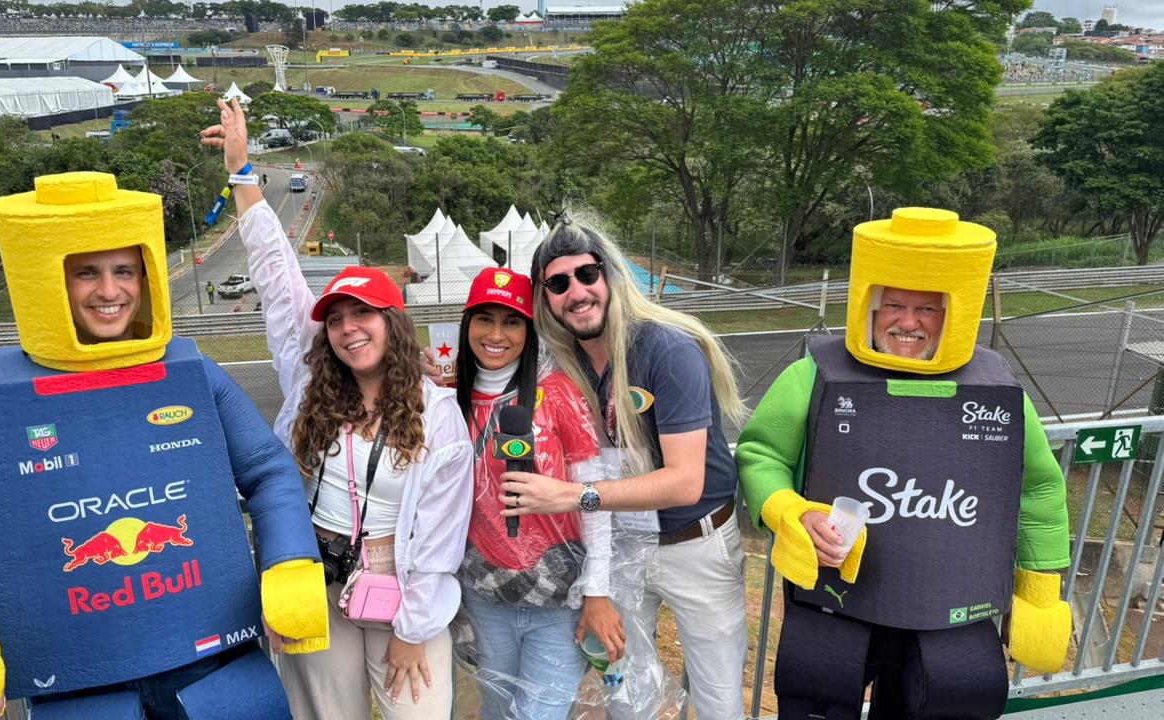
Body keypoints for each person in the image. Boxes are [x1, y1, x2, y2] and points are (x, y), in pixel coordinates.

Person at [0, 170, 329, 720]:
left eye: (124, 270)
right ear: (49, 279)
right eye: (87, 272)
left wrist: (290, 564)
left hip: (215, 667)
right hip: (79, 685)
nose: (110, 291)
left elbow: (268, 471)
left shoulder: (192, 373)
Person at [736, 208, 1071, 720]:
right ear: (870, 305)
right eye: (893, 304)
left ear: (953, 313)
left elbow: (1038, 490)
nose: (908, 321)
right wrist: (788, 510)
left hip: (951, 610)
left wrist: (1041, 590)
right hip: (836, 599)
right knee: (816, 702)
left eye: (927, 309)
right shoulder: (811, 376)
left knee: (951, 703)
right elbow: (762, 454)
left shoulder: (999, 395)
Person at [203, 96, 473, 720]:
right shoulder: (310, 381)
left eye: (364, 315)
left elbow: (440, 529)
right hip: (319, 577)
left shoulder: (435, 412)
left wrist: (413, 627)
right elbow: (275, 274)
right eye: (337, 319)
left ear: (393, 323)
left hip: (401, 582)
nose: (350, 329)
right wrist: (242, 173)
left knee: (419, 710)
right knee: (324, 714)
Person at [500, 211, 748, 720]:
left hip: (695, 544)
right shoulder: (557, 362)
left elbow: (685, 481)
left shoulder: (667, 348)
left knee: (717, 701)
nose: (577, 292)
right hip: (622, 545)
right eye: (558, 283)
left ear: (610, 275)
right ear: (544, 297)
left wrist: (574, 497)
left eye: (587, 275)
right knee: (625, 694)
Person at [453, 267, 623, 719]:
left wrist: (598, 590)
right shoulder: (448, 404)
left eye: (512, 321)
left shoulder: (559, 394)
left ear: (530, 330)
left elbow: (596, 499)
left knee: (538, 714)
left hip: (558, 601)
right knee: (496, 709)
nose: (496, 334)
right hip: (485, 599)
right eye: (484, 319)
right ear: (466, 324)